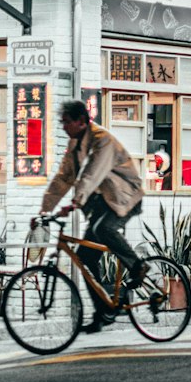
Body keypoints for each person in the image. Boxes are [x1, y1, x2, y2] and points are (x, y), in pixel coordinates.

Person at [36, 99, 147, 333]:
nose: (64, 126)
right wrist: (45, 209)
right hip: (102, 202)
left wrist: (75, 202)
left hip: (124, 197)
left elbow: (92, 174)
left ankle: (137, 266)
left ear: (81, 121)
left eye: (67, 122)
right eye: (62, 122)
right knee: (85, 258)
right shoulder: (75, 144)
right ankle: (104, 311)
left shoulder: (102, 140)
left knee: (102, 229)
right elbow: (64, 177)